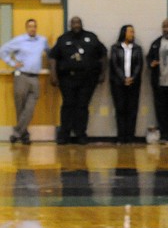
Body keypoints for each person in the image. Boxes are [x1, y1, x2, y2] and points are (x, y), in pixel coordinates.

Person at [49, 16, 107, 145]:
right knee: (68, 105)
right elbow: (53, 57)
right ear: (70, 25)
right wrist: (53, 75)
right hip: (67, 79)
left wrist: (103, 73)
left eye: (78, 23)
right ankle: (64, 134)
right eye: (74, 23)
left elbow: (103, 54)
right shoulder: (63, 38)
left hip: (87, 80)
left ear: (81, 24)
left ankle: (81, 134)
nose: (76, 25)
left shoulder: (91, 37)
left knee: (82, 106)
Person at [0, 18, 50, 145]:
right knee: (20, 108)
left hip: (35, 77)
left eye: (34, 26)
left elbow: (49, 53)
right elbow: (3, 51)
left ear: (36, 27)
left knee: (30, 108)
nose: (32, 28)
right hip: (21, 76)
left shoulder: (42, 40)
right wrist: (13, 63)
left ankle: (16, 132)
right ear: (26, 28)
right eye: (30, 26)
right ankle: (24, 135)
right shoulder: (19, 40)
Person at [108, 25, 144, 144]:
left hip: (134, 84)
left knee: (132, 110)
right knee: (120, 110)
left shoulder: (137, 48)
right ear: (124, 33)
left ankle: (130, 137)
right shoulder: (115, 48)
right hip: (118, 84)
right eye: (130, 32)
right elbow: (114, 64)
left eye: (133, 32)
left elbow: (139, 65)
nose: (132, 34)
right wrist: (123, 78)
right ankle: (121, 137)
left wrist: (132, 77)